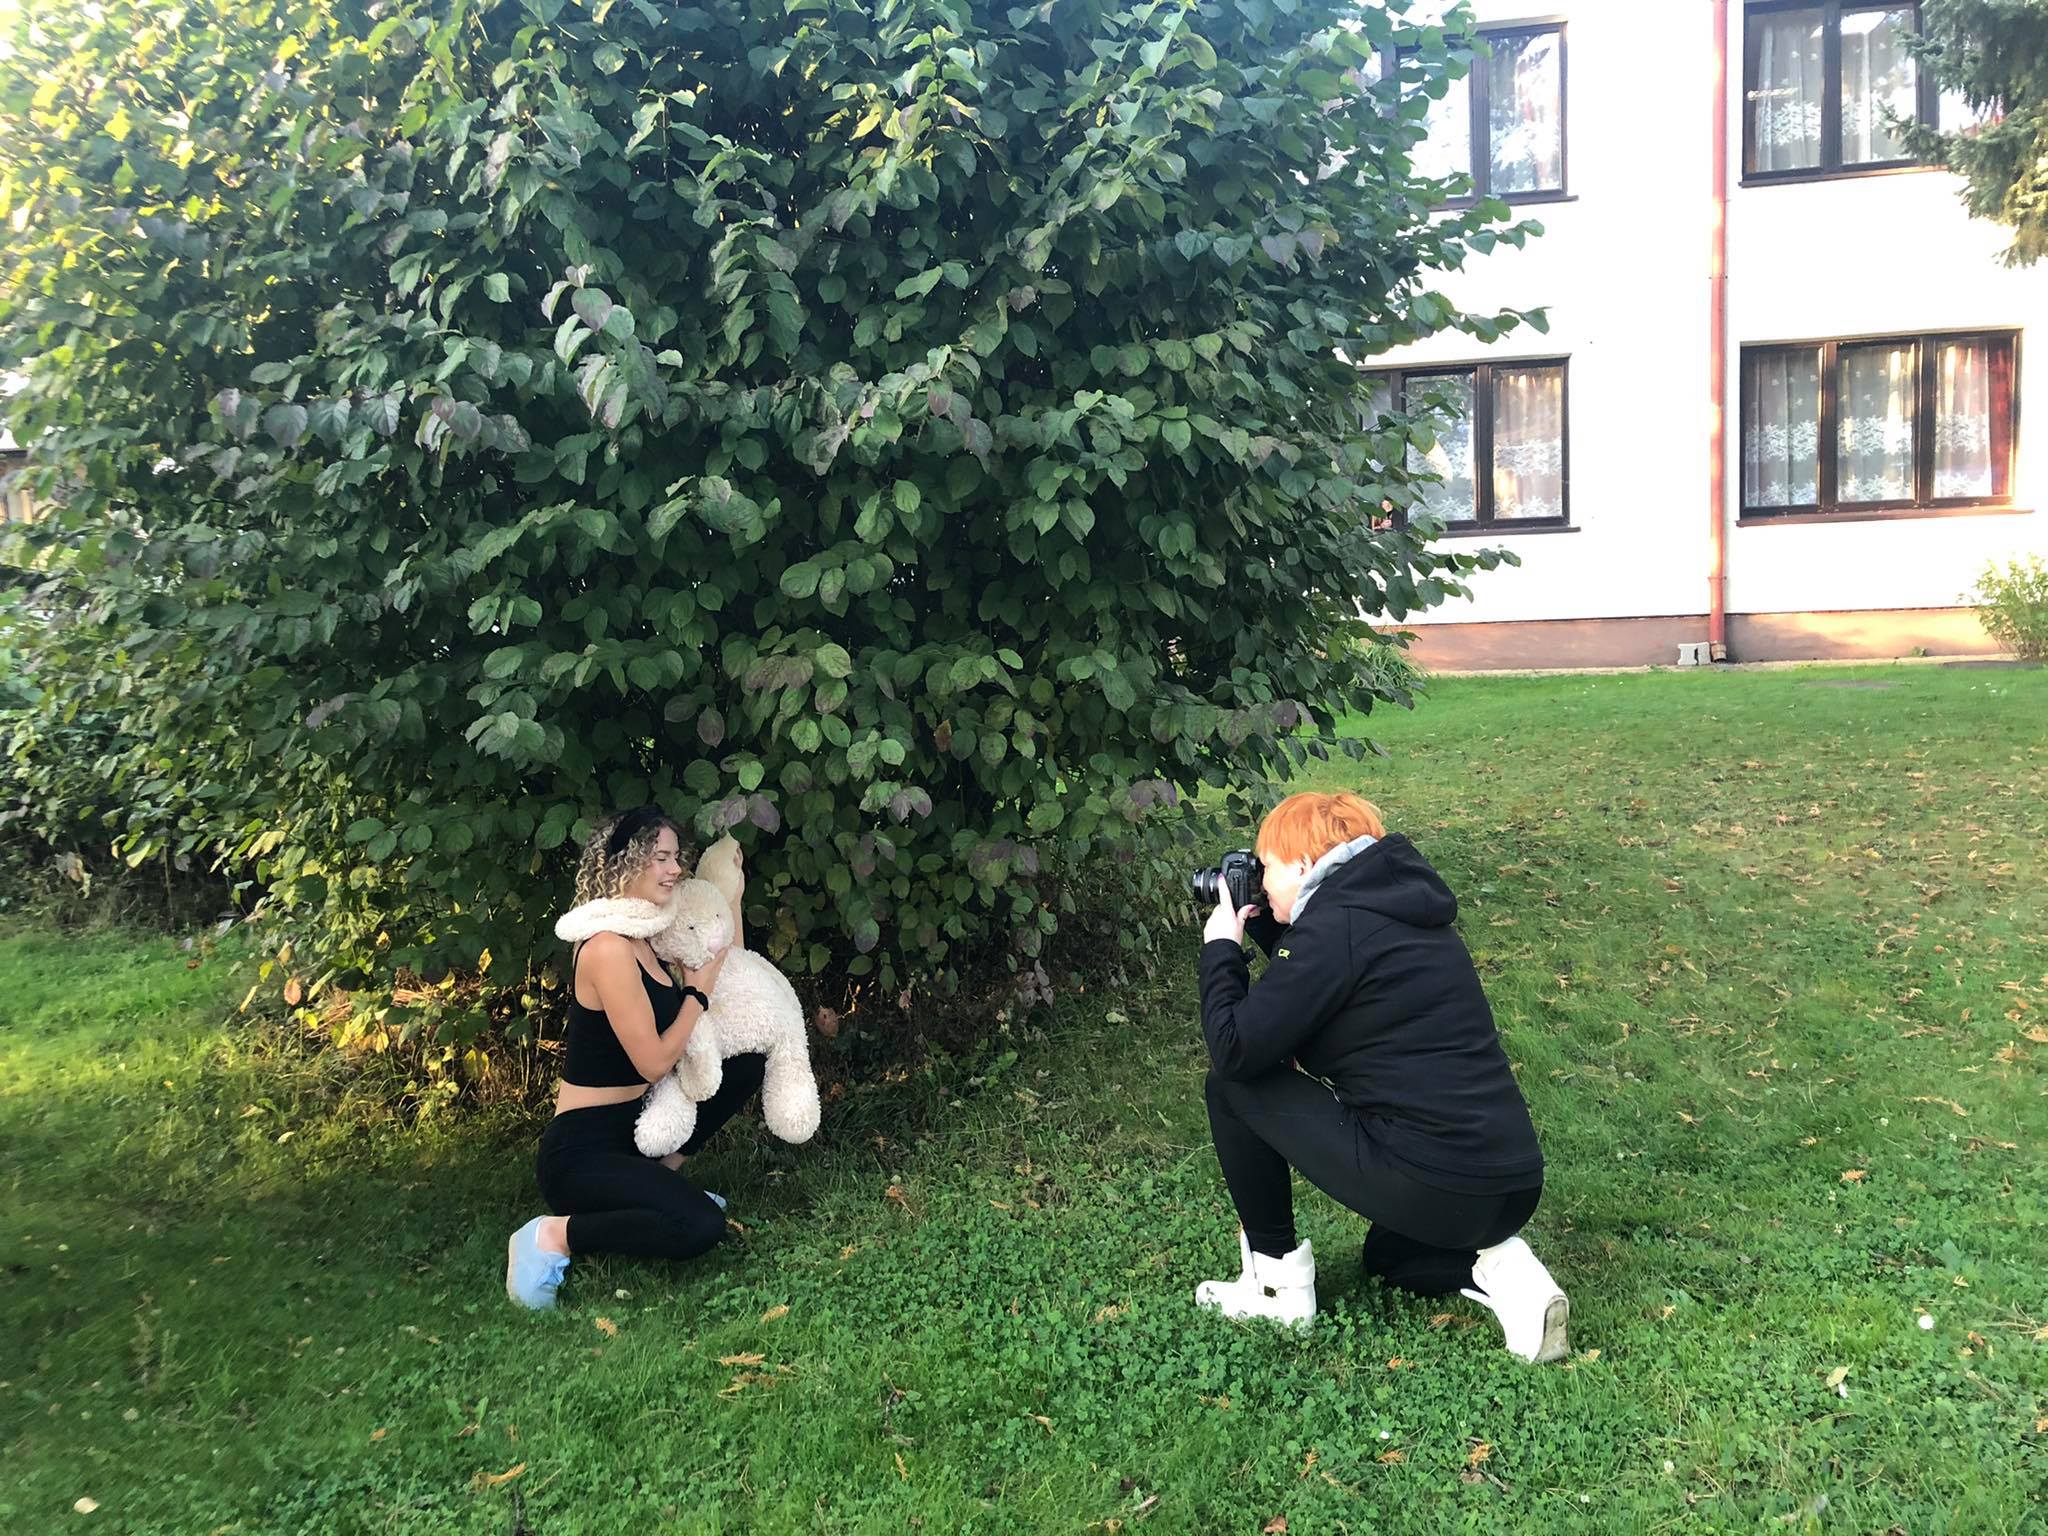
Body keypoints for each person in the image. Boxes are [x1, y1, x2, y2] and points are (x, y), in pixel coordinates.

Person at [1194, 791, 1569, 1363]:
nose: (1262, 881)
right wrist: (1264, 919)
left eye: (1266, 866)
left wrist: (1222, 946)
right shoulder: (1395, 913)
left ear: (1301, 864)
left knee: (1231, 1087)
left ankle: (1277, 1289)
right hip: (1508, 1186)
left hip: (1435, 1184)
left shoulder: (1335, 932)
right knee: (1390, 1260)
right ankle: (1501, 1265)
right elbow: (1319, 973)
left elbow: (1236, 1049)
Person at [505, 807, 764, 1309]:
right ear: (623, 863)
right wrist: (696, 996)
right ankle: (553, 1235)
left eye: (675, 858)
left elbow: (725, 966)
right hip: (583, 1152)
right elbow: (653, 1063)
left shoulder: (647, 935)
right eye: (659, 858)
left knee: (747, 1058)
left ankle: (660, 1178)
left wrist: (733, 897)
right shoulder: (606, 948)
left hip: (640, 1130)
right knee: (700, 1226)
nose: (673, 869)